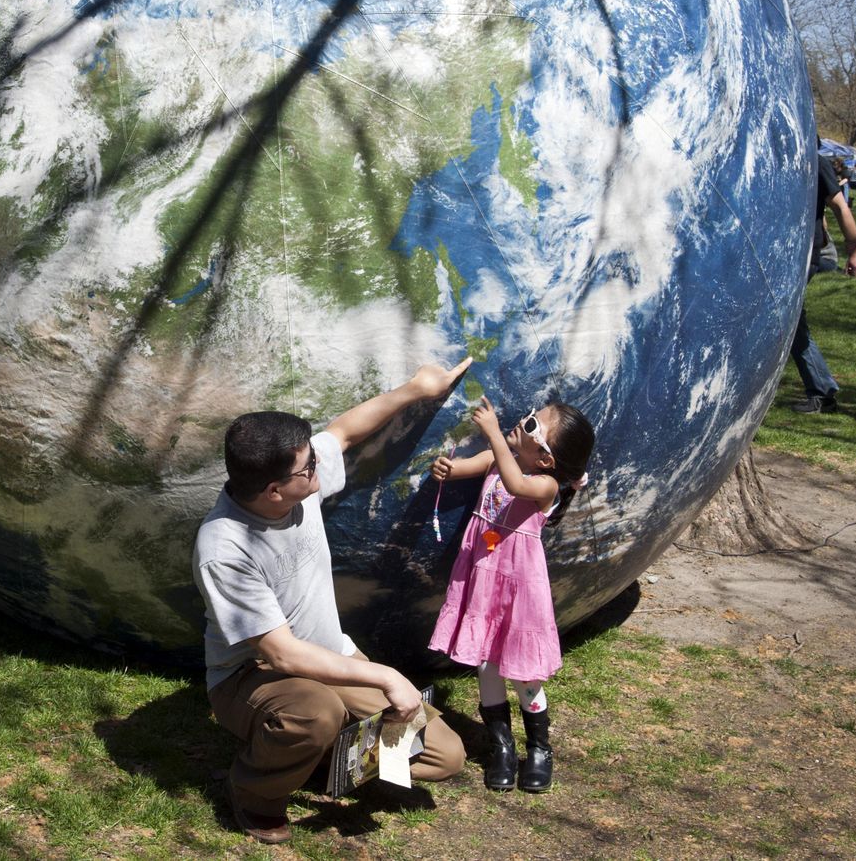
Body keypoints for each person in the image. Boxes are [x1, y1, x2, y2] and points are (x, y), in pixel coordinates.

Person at [194, 358, 472, 844]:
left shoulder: (292, 486)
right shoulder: (223, 549)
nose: (319, 464)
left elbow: (342, 432)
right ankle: (256, 793)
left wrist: (416, 389)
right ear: (276, 490)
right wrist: (386, 676)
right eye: (309, 466)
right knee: (315, 712)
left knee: (443, 754)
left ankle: (320, 759)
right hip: (253, 676)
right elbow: (281, 653)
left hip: (331, 656)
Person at [427, 395, 594, 794]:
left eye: (535, 427)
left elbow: (515, 484)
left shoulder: (544, 484)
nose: (525, 421)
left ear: (547, 459)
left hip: (519, 584)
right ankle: (501, 746)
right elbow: (468, 468)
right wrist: (447, 469)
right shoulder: (497, 459)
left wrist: (493, 434)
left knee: (523, 674)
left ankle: (539, 748)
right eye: (531, 417)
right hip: (484, 574)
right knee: (486, 663)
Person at [789, 148, 856, 413]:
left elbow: (840, 206)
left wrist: (855, 250)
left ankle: (821, 390)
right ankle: (821, 390)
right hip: (777, 254)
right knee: (791, 324)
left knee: (789, 322)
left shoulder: (815, 161)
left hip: (801, 256)